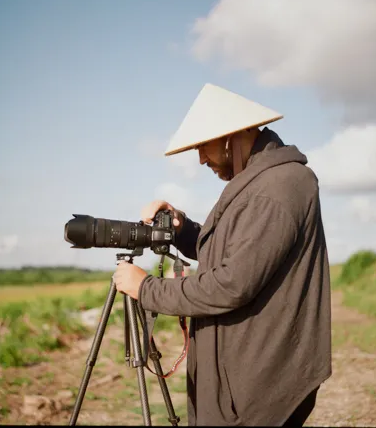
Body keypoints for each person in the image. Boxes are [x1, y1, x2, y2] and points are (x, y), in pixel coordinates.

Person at [113, 83, 332, 426]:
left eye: (203, 146)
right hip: (248, 370)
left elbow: (232, 283)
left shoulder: (273, 189)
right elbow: (238, 253)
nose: (201, 159)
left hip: (258, 380)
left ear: (232, 136)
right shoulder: (260, 182)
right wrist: (181, 228)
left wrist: (147, 290)